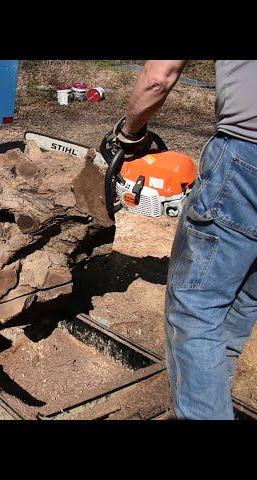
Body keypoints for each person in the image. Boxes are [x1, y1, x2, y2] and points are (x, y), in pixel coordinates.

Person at [113, 60, 257, 419]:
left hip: (246, 156)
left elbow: (158, 77)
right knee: (240, 302)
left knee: (196, 309)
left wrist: (129, 134)